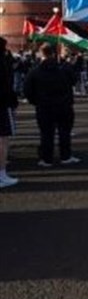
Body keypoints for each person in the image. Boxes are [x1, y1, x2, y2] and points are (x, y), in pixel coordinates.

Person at [24, 43, 80, 167]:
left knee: (46, 134)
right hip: (64, 106)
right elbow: (74, 81)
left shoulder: (35, 71)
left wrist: (36, 101)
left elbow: (27, 90)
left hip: (44, 107)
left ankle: (46, 158)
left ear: (41, 53)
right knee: (64, 133)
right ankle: (65, 156)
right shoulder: (64, 69)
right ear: (54, 54)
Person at [0, 37, 19, 188]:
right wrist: (13, 103)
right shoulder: (3, 63)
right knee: (3, 140)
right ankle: (1, 174)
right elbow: (6, 86)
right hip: (2, 105)